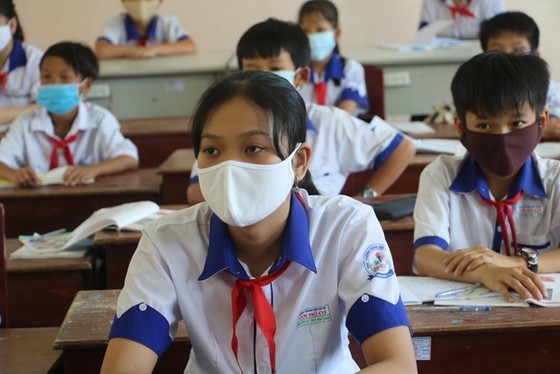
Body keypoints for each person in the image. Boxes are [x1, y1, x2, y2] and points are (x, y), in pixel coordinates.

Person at [101, 70, 416, 373]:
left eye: (253, 148)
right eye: (212, 150)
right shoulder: (166, 241)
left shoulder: (345, 226)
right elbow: (125, 367)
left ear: (299, 162)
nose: (229, 167)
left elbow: (397, 364)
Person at [186, 18, 415, 205]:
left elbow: (402, 146)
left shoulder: (329, 122)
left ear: (301, 77)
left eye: (275, 68)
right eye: (253, 69)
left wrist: (368, 196)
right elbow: (196, 191)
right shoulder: (227, 126)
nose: (265, 77)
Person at [413, 52, 560, 303]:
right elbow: (425, 255)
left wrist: (512, 263)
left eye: (516, 123)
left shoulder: (555, 179)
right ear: (461, 127)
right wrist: (485, 272)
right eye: (485, 126)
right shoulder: (441, 174)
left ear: (541, 121)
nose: (502, 137)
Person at [0, 42, 139, 186]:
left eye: (64, 77)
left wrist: (93, 170)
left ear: (86, 85)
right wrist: (15, 174)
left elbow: (129, 158)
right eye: (46, 77)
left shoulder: (100, 120)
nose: (53, 84)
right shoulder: (25, 122)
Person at [479, 11, 560, 139]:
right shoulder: (478, 92)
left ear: (536, 56)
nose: (507, 61)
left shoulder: (554, 94)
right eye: (496, 53)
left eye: (518, 52)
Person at [297, 0, 369, 116]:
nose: (312, 36)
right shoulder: (295, 71)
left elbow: (345, 116)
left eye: (320, 29)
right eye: (305, 31)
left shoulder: (350, 69)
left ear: (337, 33)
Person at [95, 0, 196, 59]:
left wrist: (154, 50)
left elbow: (189, 46)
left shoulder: (168, 23)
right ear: (123, 1)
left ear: (159, 1)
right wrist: (137, 51)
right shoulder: (114, 24)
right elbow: (101, 50)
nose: (141, 2)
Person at [0, 0, 43, 125]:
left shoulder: (35, 60)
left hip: (23, 137)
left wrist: (5, 115)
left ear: (12, 25)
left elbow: (45, 108)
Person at [419, 0, 505, 40]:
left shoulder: (491, 2)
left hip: (478, 58)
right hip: (437, 58)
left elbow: (495, 37)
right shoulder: (430, 2)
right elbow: (423, 36)